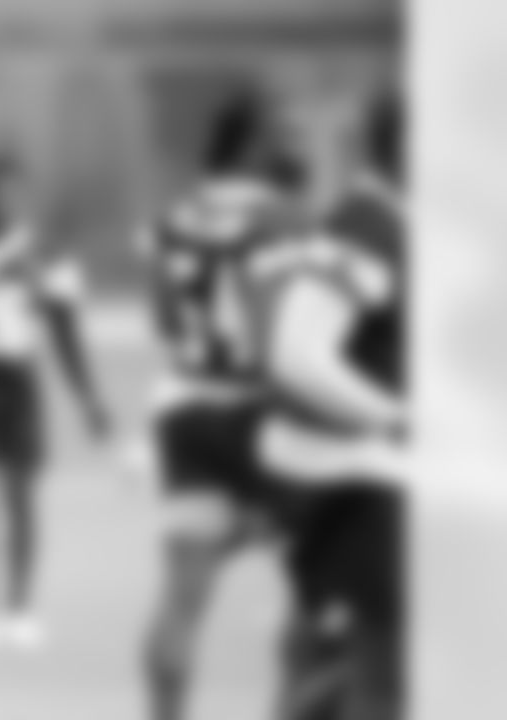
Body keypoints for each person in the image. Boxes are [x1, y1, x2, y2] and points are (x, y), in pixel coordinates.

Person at [139, 86, 311, 720]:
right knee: (315, 591)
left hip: (185, 409)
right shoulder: (285, 218)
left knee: (182, 600)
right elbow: (289, 332)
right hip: (264, 412)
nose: (300, 145)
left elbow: (161, 318)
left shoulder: (173, 214)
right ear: (256, 142)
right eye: (288, 132)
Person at [260, 88, 406, 720]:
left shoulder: (393, 218)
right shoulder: (374, 227)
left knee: (327, 669)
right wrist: (400, 417)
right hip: (362, 478)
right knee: (383, 681)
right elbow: (297, 352)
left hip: (359, 477)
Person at [0, 151, 110, 649]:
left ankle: (19, 607)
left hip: (17, 377)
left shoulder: (43, 253)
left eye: (14, 191)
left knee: (22, 499)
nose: (7, 202)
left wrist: (88, 397)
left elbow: (65, 331)